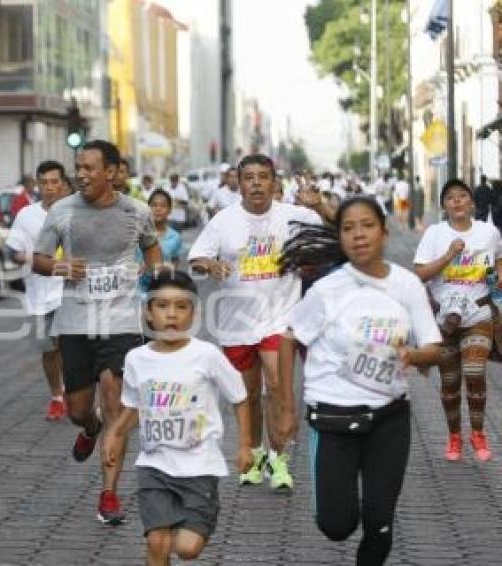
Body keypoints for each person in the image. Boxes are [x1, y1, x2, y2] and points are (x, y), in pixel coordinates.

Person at [278, 196, 442, 566]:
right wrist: (285, 410)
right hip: (334, 417)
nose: (359, 235)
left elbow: (434, 347)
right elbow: (289, 341)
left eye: (367, 225)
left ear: (384, 232)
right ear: (340, 237)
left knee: (380, 522)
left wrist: (411, 355)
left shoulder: (407, 285)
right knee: (337, 525)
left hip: (390, 417)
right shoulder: (326, 290)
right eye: (348, 228)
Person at [33, 139, 161, 524]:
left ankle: (109, 494)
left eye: (89, 168)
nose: (81, 174)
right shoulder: (61, 211)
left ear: (111, 171)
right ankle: (88, 430)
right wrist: (58, 268)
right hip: (75, 322)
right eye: (79, 167)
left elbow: (152, 248)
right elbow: (38, 259)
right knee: (79, 411)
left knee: (115, 403)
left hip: (121, 321)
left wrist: (151, 271)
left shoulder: (136, 211)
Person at [188, 153, 329, 491]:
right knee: (248, 394)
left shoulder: (294, 216)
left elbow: (336, 228)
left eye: (262, 177)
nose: (255, 183)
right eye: (248, 177)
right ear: (238, 183)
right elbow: (196, 258)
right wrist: (209, 265)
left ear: (273, 182)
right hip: (236, 323)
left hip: (280, 318)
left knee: (278, 386)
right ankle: (254, 454)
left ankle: (278, 461)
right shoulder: (223, 221)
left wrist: (321, 205)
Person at [102, 270, 251, 566]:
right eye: (162, 306)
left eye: (181, 307)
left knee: (186, 549)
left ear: (193, 312)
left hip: (199, 467)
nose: (172, 315)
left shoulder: (206, 355)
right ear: (148, 311)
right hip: (154, 464)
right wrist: (114, 435)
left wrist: (245, 445)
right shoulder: (136, 358)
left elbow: (240, 397)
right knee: (157, 542)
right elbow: (133, 405)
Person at [413, 179, 500, 461]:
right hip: (444, 320)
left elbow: (499, 261)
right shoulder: (434, 234)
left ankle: (478, 433)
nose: (458, 201)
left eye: (463, 196)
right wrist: (449, 254)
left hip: (478, 313)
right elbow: (420, 275)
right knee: (449, 384)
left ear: (472, 202)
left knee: (475, 372)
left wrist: (498, 280)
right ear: (444, 206)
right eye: (451, 198)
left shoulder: (489, 232)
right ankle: (454, 437)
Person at [5, 160, 69, 420]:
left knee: (71, 346)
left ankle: (75, 394)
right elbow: (12, 252)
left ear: (64, 184)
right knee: (49, 350)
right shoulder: (27, 215)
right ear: (37, 185)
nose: (50, 187)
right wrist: (37, 260)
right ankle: (57, 395)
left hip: (71, 291)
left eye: (55, 182)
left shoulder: (77, 212)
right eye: (44, 182)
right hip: (39, 294)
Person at [137, 189, 184, 291]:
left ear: (169, 210)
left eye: (163, 206)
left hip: (162, 289)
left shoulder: (175, 237)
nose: (158, 209)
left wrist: (169, 270)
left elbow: (175, 262)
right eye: (154, 205)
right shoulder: (137, 234)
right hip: (138, 290)